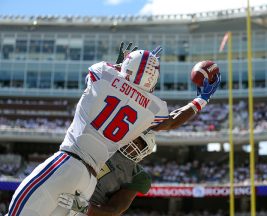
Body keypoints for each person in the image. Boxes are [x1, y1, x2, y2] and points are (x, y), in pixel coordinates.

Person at [7, 42, 220, 216]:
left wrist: (122, 64)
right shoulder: (155, 107)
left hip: (69, 160)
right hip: (88, 182)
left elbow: (114, 79)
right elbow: (172, 121)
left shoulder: (102, 72)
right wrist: (201, 99)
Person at [57, 130, 156, 216]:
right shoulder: (102, 144)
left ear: (144, 151)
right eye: (133, 138)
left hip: (85, 210)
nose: (132, 144)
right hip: (63, 191)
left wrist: (81, 207)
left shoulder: (138, 175)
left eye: (138, 144)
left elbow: (114, 210)